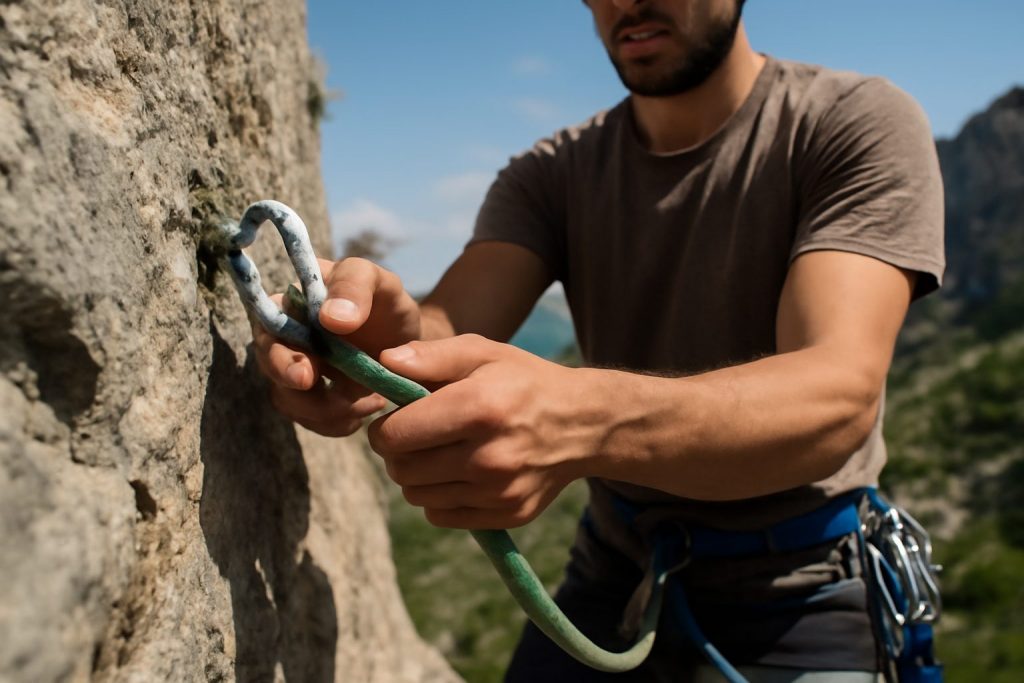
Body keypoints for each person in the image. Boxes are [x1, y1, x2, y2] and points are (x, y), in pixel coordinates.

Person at [254, 0, 944, 680]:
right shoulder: (551, 175)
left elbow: (836, 394)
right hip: (618, 569)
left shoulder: (852, 123)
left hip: (801, 589)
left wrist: (583, 419)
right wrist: (376, 342)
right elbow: (447, 326)